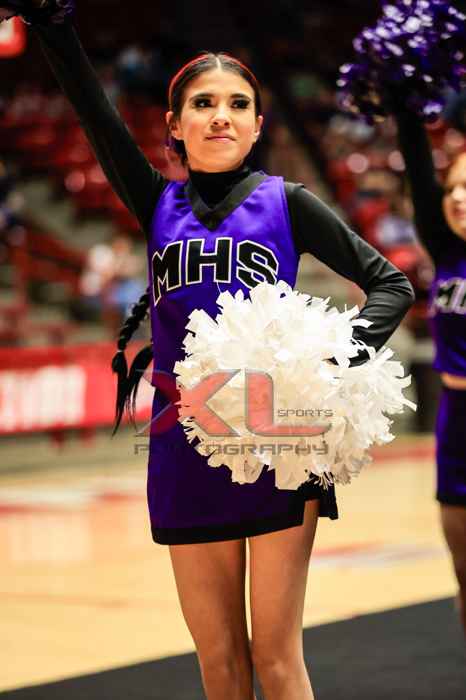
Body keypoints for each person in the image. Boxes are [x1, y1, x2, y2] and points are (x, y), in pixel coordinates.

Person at [1, 4, 414, 698]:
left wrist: (329, 364)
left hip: (280, 441)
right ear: (174, 125)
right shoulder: (156, 203)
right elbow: (97, 117)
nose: (221, 116)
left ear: (257, 125)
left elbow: (391, 285)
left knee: (277, 660)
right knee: (220, 665)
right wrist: (54, 28)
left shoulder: (287, 202)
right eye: (203, 103)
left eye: (237, 104)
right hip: (183, 445)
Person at [393, 102, 466, 637]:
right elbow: (419, 173)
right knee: (464, 574)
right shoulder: (445, 251)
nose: (457, 197)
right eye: (453, 187)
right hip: (455, 423)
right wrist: (404, 100)